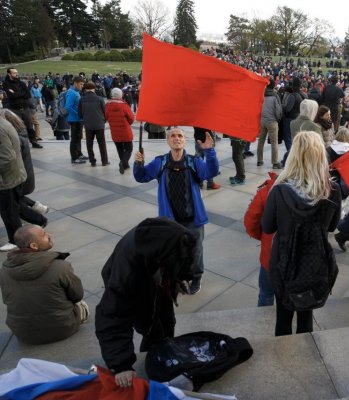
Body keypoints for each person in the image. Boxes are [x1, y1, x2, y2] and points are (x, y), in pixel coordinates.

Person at [95, 218, 196, 388]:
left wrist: (180, 277)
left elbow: (185, 257)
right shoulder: (127, 271)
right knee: (152, 328)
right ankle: (152, 362)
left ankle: (165, 353)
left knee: (167, 322)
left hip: (154, 280)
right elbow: (112, 316)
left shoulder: (176, 236)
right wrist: (121, 364)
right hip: (136, 288)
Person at [262, 130, 341, 336]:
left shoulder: (280, 191)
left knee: (283, 319)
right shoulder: (332, 189)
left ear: (294, 156)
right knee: (306, 319)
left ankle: (286, 364)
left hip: (284, 264)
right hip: (315, 264)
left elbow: (267, 226)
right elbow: (332, 226)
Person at [133, 128, 218, 294]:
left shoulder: (193, 161)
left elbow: (211, 172)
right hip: (171, 220)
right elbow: (141, 176)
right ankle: (181, 277)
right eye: (173, 135)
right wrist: (138, 163)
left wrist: (210, 151)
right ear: (168, 141)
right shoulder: (160, 162)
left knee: (196, 250)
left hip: (193, 218)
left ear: (185, 141)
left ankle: (196, 277)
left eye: (180, 136)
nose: (177, 138)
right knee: (175, 251)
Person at [0, 224, 88, 344]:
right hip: (63, 328)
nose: (49, 236)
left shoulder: (4, 270)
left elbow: (7, 299)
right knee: (81, 304)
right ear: (34, 246)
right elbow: (77, 295)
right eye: (44, 235)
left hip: (23, 334)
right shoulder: (61, 267)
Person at [244, 172, 278, 307]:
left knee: (266, 294)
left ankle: (263, 325)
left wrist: (264, 237)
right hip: (299, 261)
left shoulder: (268, 191)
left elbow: (251, 221)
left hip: (271, 256)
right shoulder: (318, 189)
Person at [0, 116, 27, 251]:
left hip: (7, 179)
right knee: (12, 209)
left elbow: (6, 157)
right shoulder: (3, 122)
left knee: (9, 212)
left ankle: (15, 239)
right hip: (13, 175)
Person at [3, 67, 42, 148]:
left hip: (25, 108)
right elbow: (11, 96)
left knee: (30, 126)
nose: (16, 74)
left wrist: (16, 93)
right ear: (9, 74)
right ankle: (20, 144)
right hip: (14, 109)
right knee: (17, 127)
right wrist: (21, 93)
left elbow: (28, 94)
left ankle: (34, 141)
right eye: (14, 73)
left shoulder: (22, 83)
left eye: (16, 72)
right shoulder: (6, 83)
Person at [79, 81, 109, 167]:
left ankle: (92, 161)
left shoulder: (82, 99)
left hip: (88, 125)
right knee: (102, 143)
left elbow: (80, 114)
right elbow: (105, 112)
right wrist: (104, 120)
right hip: (99, 124)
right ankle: (104, 161)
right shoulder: (100, 99)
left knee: (89, 143)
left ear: (85, 89)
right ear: (94, 89)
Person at [105, 88, 134, 174]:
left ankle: (124, 164)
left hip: (114, 130)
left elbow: (106, 117)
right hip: (125, 130)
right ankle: (123, 163)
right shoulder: (124, 105)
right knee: (129, 148)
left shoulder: (107, 106)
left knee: (119, 148)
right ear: (121, 95)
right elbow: (131, 119)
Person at [257, 79, 283, 169]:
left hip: (262, 121)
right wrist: (278, 119)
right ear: (273, 86)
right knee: (274, 142)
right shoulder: (275, 96)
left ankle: (259, 160)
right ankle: (275, 162)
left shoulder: (261, 95)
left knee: (261, 141)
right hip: (272, 121)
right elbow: (278, 111)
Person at [66, 77, 88, 164]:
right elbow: (68, 107)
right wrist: (78, 114)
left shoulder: (75, 92)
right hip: (74, 120)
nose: (82, 86)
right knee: (75, 139)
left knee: (78, 138)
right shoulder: (72, 93)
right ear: (75, 83)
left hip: (78, 119)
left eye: (83, 84)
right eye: (81, 84)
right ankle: (74, 158)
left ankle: (79, 154)